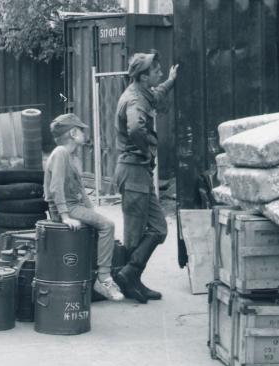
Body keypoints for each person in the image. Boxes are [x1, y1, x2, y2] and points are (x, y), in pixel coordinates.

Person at [112, 51, 178, 304]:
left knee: (159, 228)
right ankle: (129, 280)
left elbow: (156, 94)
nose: (159, 73)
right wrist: (146, 150)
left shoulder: (142, 93)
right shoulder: (134, 100)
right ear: (143, 76)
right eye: (156, 71)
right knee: (134, 235)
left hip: (138, 172)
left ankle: (131, 275)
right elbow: (136, 128)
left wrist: (170, 81)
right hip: (133, 171)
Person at [43, 113, 124, 302]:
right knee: (108, 225)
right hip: (66, 208)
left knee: (101, 223)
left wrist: (92, 213)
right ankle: (103, 278)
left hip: (74, 205)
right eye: (80, 129)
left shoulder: (72, 156)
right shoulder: (61, 153)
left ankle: (97, 275)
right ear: (72, 133)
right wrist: (64, 216)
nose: (83, 133)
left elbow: (80, 189)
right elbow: (55, 188)